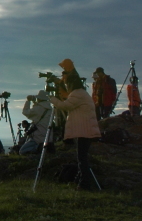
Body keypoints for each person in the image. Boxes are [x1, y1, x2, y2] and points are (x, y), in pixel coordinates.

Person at [48, 60, 102, 191]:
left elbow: (65, 105)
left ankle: (84, 184)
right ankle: (80, 180)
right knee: (81, 157)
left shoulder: (77, 93)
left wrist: (52, 98)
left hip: (84, 131)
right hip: (85, 130)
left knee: (82, 159)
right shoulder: (81, 93)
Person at [19, 90, 54, 156]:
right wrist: (35, 103)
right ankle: (44, 148)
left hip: (38, 137)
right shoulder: (50, 109)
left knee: (22, 151)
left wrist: (28, 101)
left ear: (39, 99)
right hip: (48, 137)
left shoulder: (37, 109)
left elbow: (25, 112)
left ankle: (40, 148)